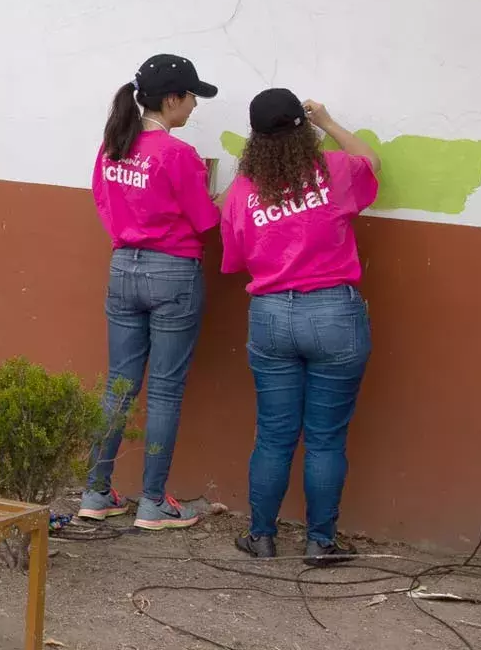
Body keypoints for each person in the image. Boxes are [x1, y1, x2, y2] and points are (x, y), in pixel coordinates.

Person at [222, 89, 379, 565]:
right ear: (301, 129)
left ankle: (262, 537)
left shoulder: (243, 191)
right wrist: (329, 120)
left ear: (255, 138)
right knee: (326, 436)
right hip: (334, 313)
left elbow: (236, 257)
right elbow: (370, 161)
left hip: (271, 315)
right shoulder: (332, 171)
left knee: (273, 434)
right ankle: (320, 541)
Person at [76, 54, 221, 532]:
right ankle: (153, 501)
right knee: (163, 390)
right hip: (173, 271)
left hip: (123, 267)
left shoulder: (114, 144)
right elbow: (206, 221)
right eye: (192, 96)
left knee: (118, 385)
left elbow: (100, 200)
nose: (195, 106)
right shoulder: (178, 155)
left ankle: (96, 492)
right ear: (172, 99)